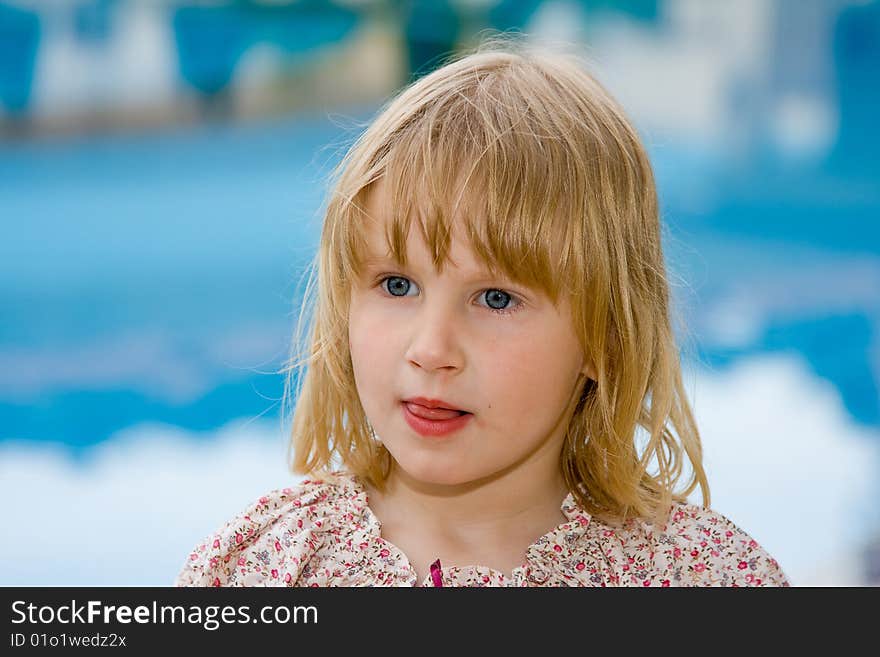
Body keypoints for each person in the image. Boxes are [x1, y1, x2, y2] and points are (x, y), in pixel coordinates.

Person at [175, 38, 790, 587]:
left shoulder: (699, 575)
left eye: (496, 298)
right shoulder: (262, 567)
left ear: (606, 336)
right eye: (396, 285)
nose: (432, 348)